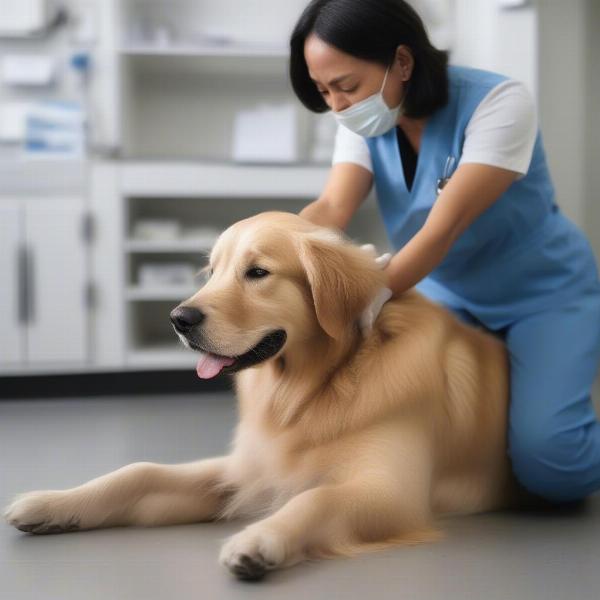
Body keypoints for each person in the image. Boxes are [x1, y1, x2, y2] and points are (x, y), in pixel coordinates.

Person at [290, 0, 600, 504]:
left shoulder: (498, 102)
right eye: (324, 91)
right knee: (401, 414)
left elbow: (443, 228)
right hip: (445, 289)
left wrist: (365, 293)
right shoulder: (362, 124)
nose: (338, 106)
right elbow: (331, 207)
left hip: (544, 293)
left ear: (403, 62)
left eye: (347, 86)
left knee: (552, 465)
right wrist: (275, 243)